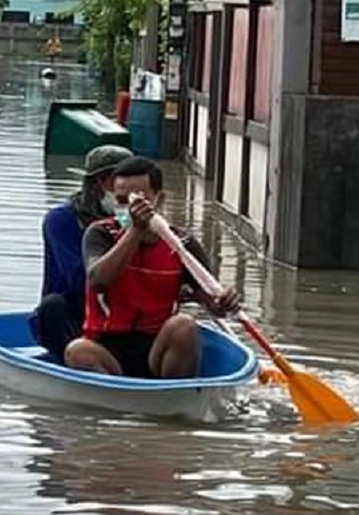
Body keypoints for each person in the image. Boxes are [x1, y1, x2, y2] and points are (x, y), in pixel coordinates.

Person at [64, 156, 240, 379]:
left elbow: (212, 301)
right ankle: (116, 397)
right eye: (121, 200)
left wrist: (224, 301)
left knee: (184, 325)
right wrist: (135, 232)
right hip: (106, 347)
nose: (129, 209)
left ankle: (170, 399)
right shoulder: (100, 233)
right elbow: (98, 280)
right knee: (77, 351)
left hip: (158, 347)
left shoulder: (182, 243)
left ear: (159, 199)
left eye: (138, 201)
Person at [29, 145, 134, 361]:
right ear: (98, 183)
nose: (126, 190)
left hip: (123, 314)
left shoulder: (139, 221)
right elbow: (80, 281)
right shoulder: (62, 220)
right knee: (53, 306)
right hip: (74, 313)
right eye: (117, 181)